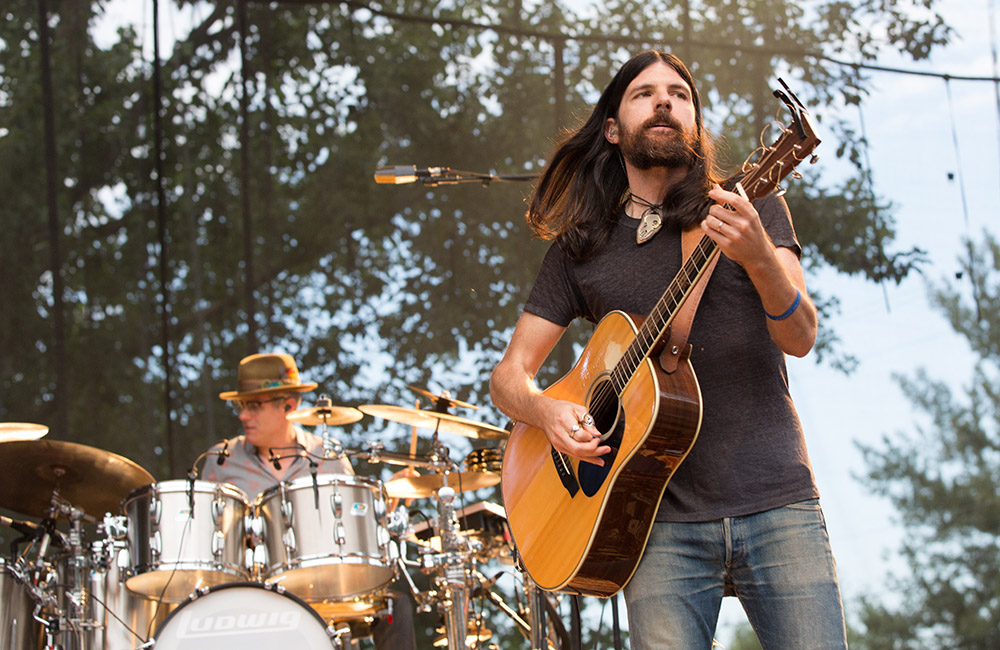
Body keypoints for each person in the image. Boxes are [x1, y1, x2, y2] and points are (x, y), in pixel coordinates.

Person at [490, 50, 848, 649]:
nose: (665, 101)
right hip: (651, 523)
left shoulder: (750, 207)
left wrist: (759, 257)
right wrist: (547, 411)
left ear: (695, 125)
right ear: (613, 128)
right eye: (645, 93)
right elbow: (509, 377)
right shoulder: (583, 247)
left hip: (775, 498)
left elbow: (801, 335)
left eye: (680, 94)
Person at [201, 352, 417, 650]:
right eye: (241, 405)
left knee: (396, 606)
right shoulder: (220, 461)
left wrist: (385, 504)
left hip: (327, 590)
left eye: (253, 406)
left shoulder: (329, 457)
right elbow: (208, 542)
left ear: (288, 406)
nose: (242, 416)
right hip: (255, 593)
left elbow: (354, 530)